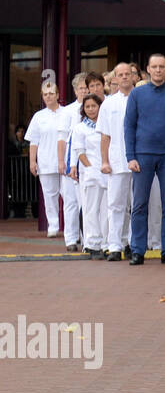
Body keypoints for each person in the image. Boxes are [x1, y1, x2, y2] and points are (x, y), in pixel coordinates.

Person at [123, 53, 165, 266]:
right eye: (155, 67)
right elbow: (129, 126)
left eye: (162, 66)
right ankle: (137, 251)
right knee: (139, 205)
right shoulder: (137, 94)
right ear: (148, 69)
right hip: (142, 155)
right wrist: (130, 156)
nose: (158, 70)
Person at [98, 63, 134, 260]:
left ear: (133, 76)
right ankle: (114, 246)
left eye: (127, 74)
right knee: (115, 205)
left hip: (139, 160)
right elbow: (105, 136)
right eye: (120, 75)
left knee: (136, 205)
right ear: (115, 79)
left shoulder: (141, 99)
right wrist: (104, 161)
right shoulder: (108, 103)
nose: (124, 77)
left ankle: (132, 243)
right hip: (116, 161)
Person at [26, 82, 66, 240]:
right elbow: (33, 141)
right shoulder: (39, 116)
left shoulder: (66, 113)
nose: (48, 96)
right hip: (46, 162)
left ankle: (72, 228)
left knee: (69, 196)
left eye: (51, 93)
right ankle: (53, 226)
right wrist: (32, 161)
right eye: (45, 94)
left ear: (57, 95)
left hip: (65, 163)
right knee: (50, 197)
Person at [55, 72, 89, 252]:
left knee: (86, 202)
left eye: (86, 87)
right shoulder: (67, 110)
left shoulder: (96, 107)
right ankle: (71, 238)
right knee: (70, 202)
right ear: (75, 90)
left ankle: (87, 239)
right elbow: (61, 138)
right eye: (80, 88)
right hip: (70, 158)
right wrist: (61, 161)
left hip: (87, 159)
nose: (83, 91)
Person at [71, 92, 107, 259]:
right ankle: (92, 244)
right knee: (91, 209)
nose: (91, 109)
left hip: (107, 171)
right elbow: (80, 152)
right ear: (83, 109)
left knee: (108, 209)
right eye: (88, 107)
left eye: (94, 106)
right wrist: (91, 168)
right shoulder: (80, 128)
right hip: (91, 172)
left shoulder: (106, 125)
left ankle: (107, 242)